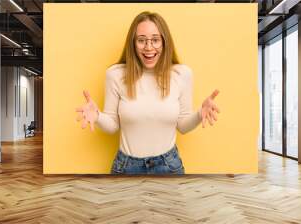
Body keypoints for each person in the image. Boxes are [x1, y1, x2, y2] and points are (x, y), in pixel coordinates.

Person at [75, 11, 220, 175]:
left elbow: (183, 126)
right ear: (133, 43)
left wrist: (200, 114)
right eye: (141, 40)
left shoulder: (182, 74)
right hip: (126, 167)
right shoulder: (115, 74)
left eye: (155, 40)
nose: (149, 47)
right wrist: (98, 116)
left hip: (169, 166)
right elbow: (113, 126)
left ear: (165, 42)